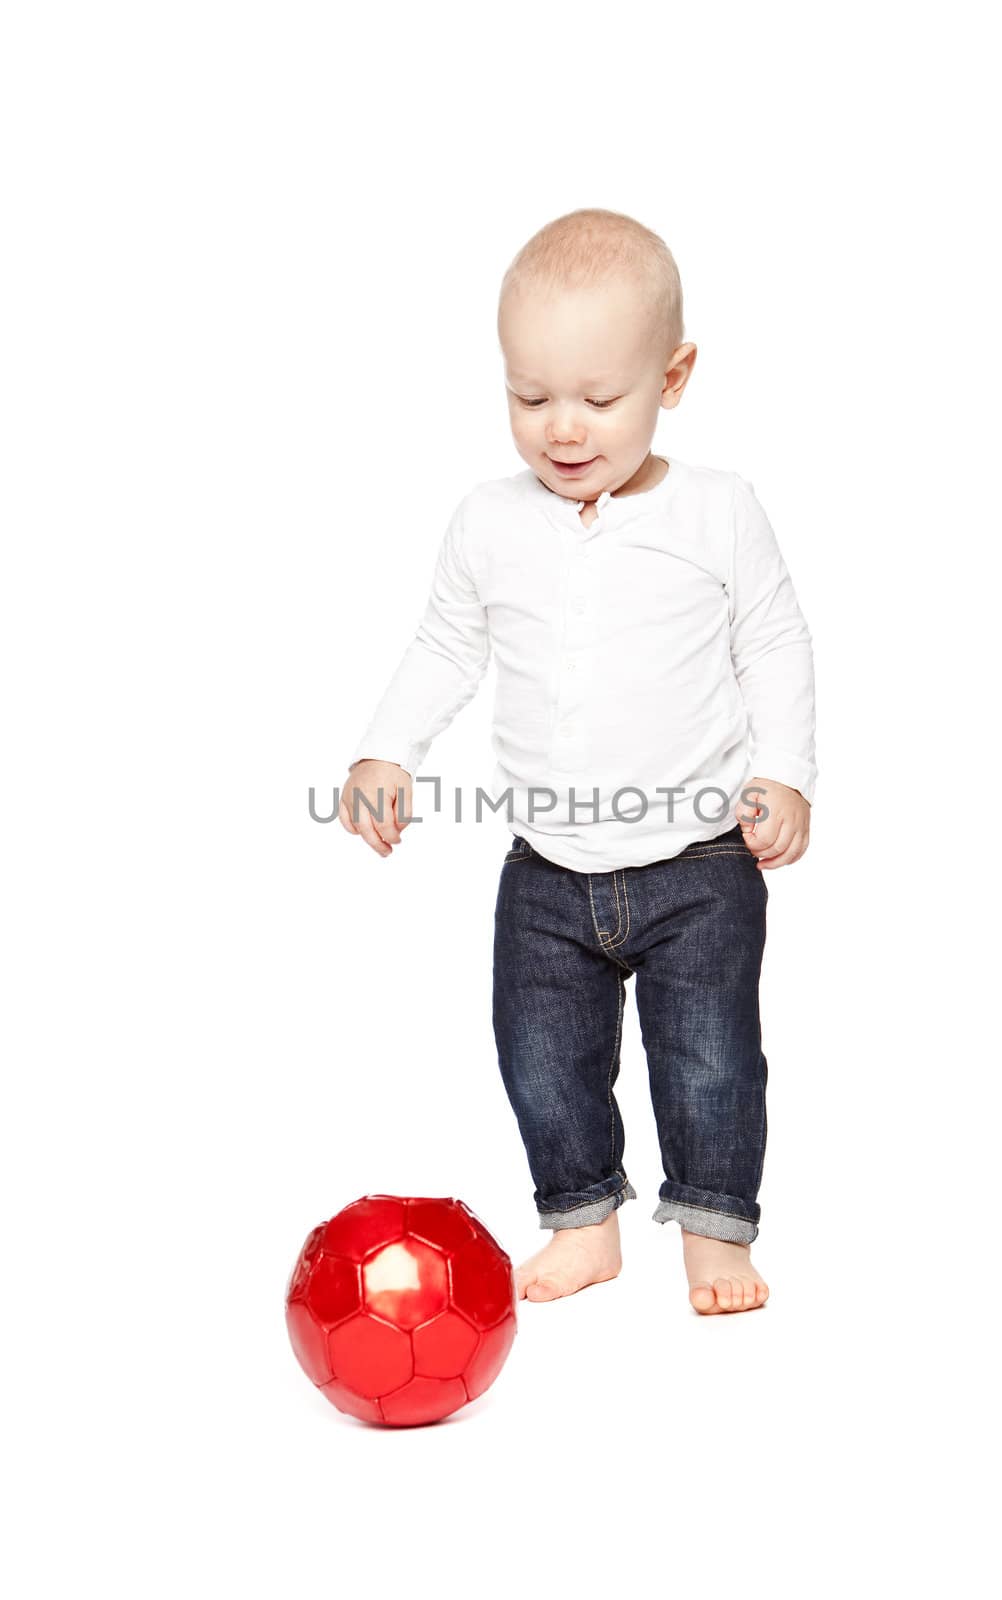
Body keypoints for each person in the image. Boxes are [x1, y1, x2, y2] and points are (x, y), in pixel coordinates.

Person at [339, 208, 817, 1315]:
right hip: (545, 873)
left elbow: (775, 640)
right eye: (528, 396)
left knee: (706, 1061)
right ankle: (581, 1220)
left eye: (599, 400)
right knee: (540, 1056)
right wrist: (386, 748)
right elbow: (445, 643)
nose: (562, 428)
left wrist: (784, 771)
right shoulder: (487, 521)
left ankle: (713, 1230)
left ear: (674, 374)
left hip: (698, 865)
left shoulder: (716, 511)